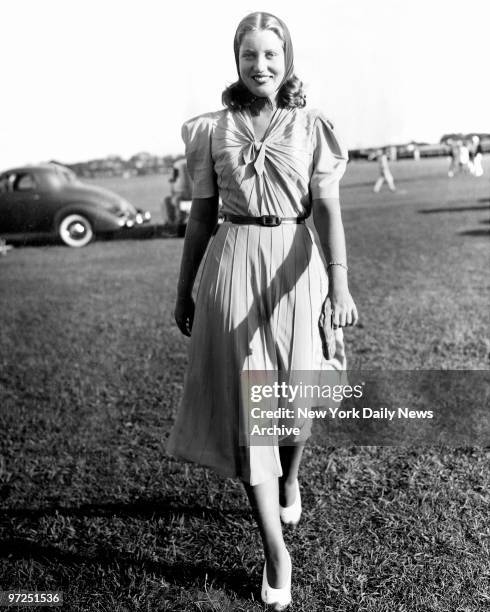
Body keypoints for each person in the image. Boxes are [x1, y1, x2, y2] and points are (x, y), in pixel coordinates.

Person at [167, 12, 358, 610]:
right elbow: (200, 217)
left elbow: (326, 209)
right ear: (236, 60)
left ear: (287, 57)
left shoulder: (311, 124)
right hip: (233, 266)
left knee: (295, 402)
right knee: (256, 418)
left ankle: (291, 476)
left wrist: (340, 285)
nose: (260, 66)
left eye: (270, 55)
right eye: (249, 55)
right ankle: (276, 553)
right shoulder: (212, 129)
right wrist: (185, 288)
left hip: (297, 267)